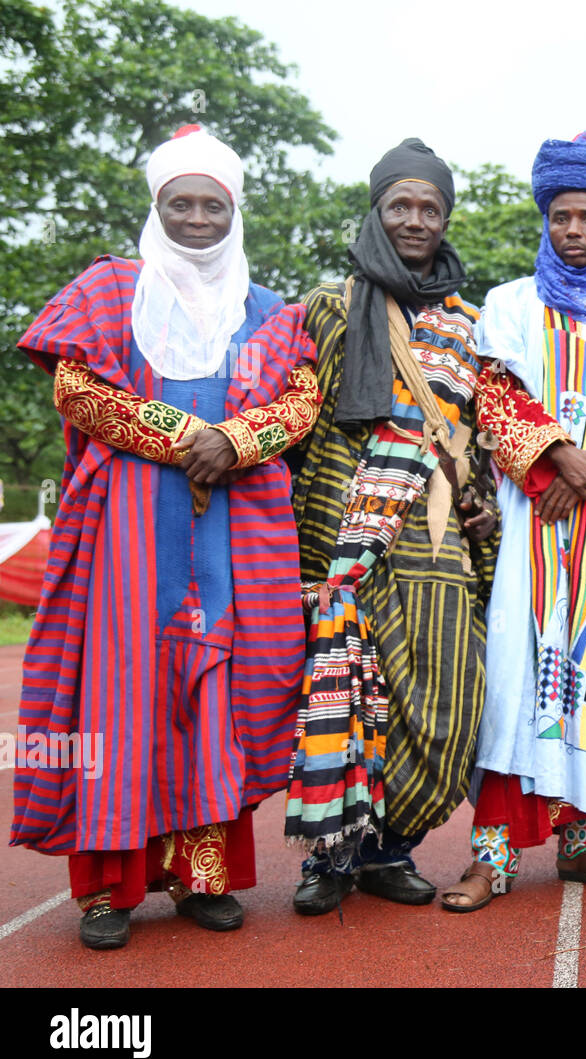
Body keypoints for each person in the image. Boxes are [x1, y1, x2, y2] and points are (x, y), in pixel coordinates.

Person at [10, 126, 321, 949]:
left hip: (237, 531)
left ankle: (201, 880)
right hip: (125, 532)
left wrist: (241, 441)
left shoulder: (271, 311)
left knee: (219, 690)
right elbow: (77, 388)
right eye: (178, 203)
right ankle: (107, 894)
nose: (194, 217)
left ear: (234, 210)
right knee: (116, 698)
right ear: (156, 207)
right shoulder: (108, 290)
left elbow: (300, 403)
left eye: (210, 204)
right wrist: (191, 437)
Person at [440, 132, 586, 911]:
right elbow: (498, 398)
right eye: (560, 218)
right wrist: (556, 460)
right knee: (518, 681)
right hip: (534, 525)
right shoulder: (510, 305)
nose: (572, 231)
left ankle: (583, 845)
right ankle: (493, 855)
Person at [285, 138, 497, 914]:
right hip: (343, 532)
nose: (415, 220)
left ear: (446, 218)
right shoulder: (326, 306)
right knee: (343, 696)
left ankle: (391, 847)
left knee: (442, 705)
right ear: (377, 210)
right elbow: (299, 423)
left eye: (430, 208)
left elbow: (481, 431)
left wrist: (482, 500)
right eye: (400, 206)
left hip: (437, 535)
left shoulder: (471, 324)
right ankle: (332, 859)